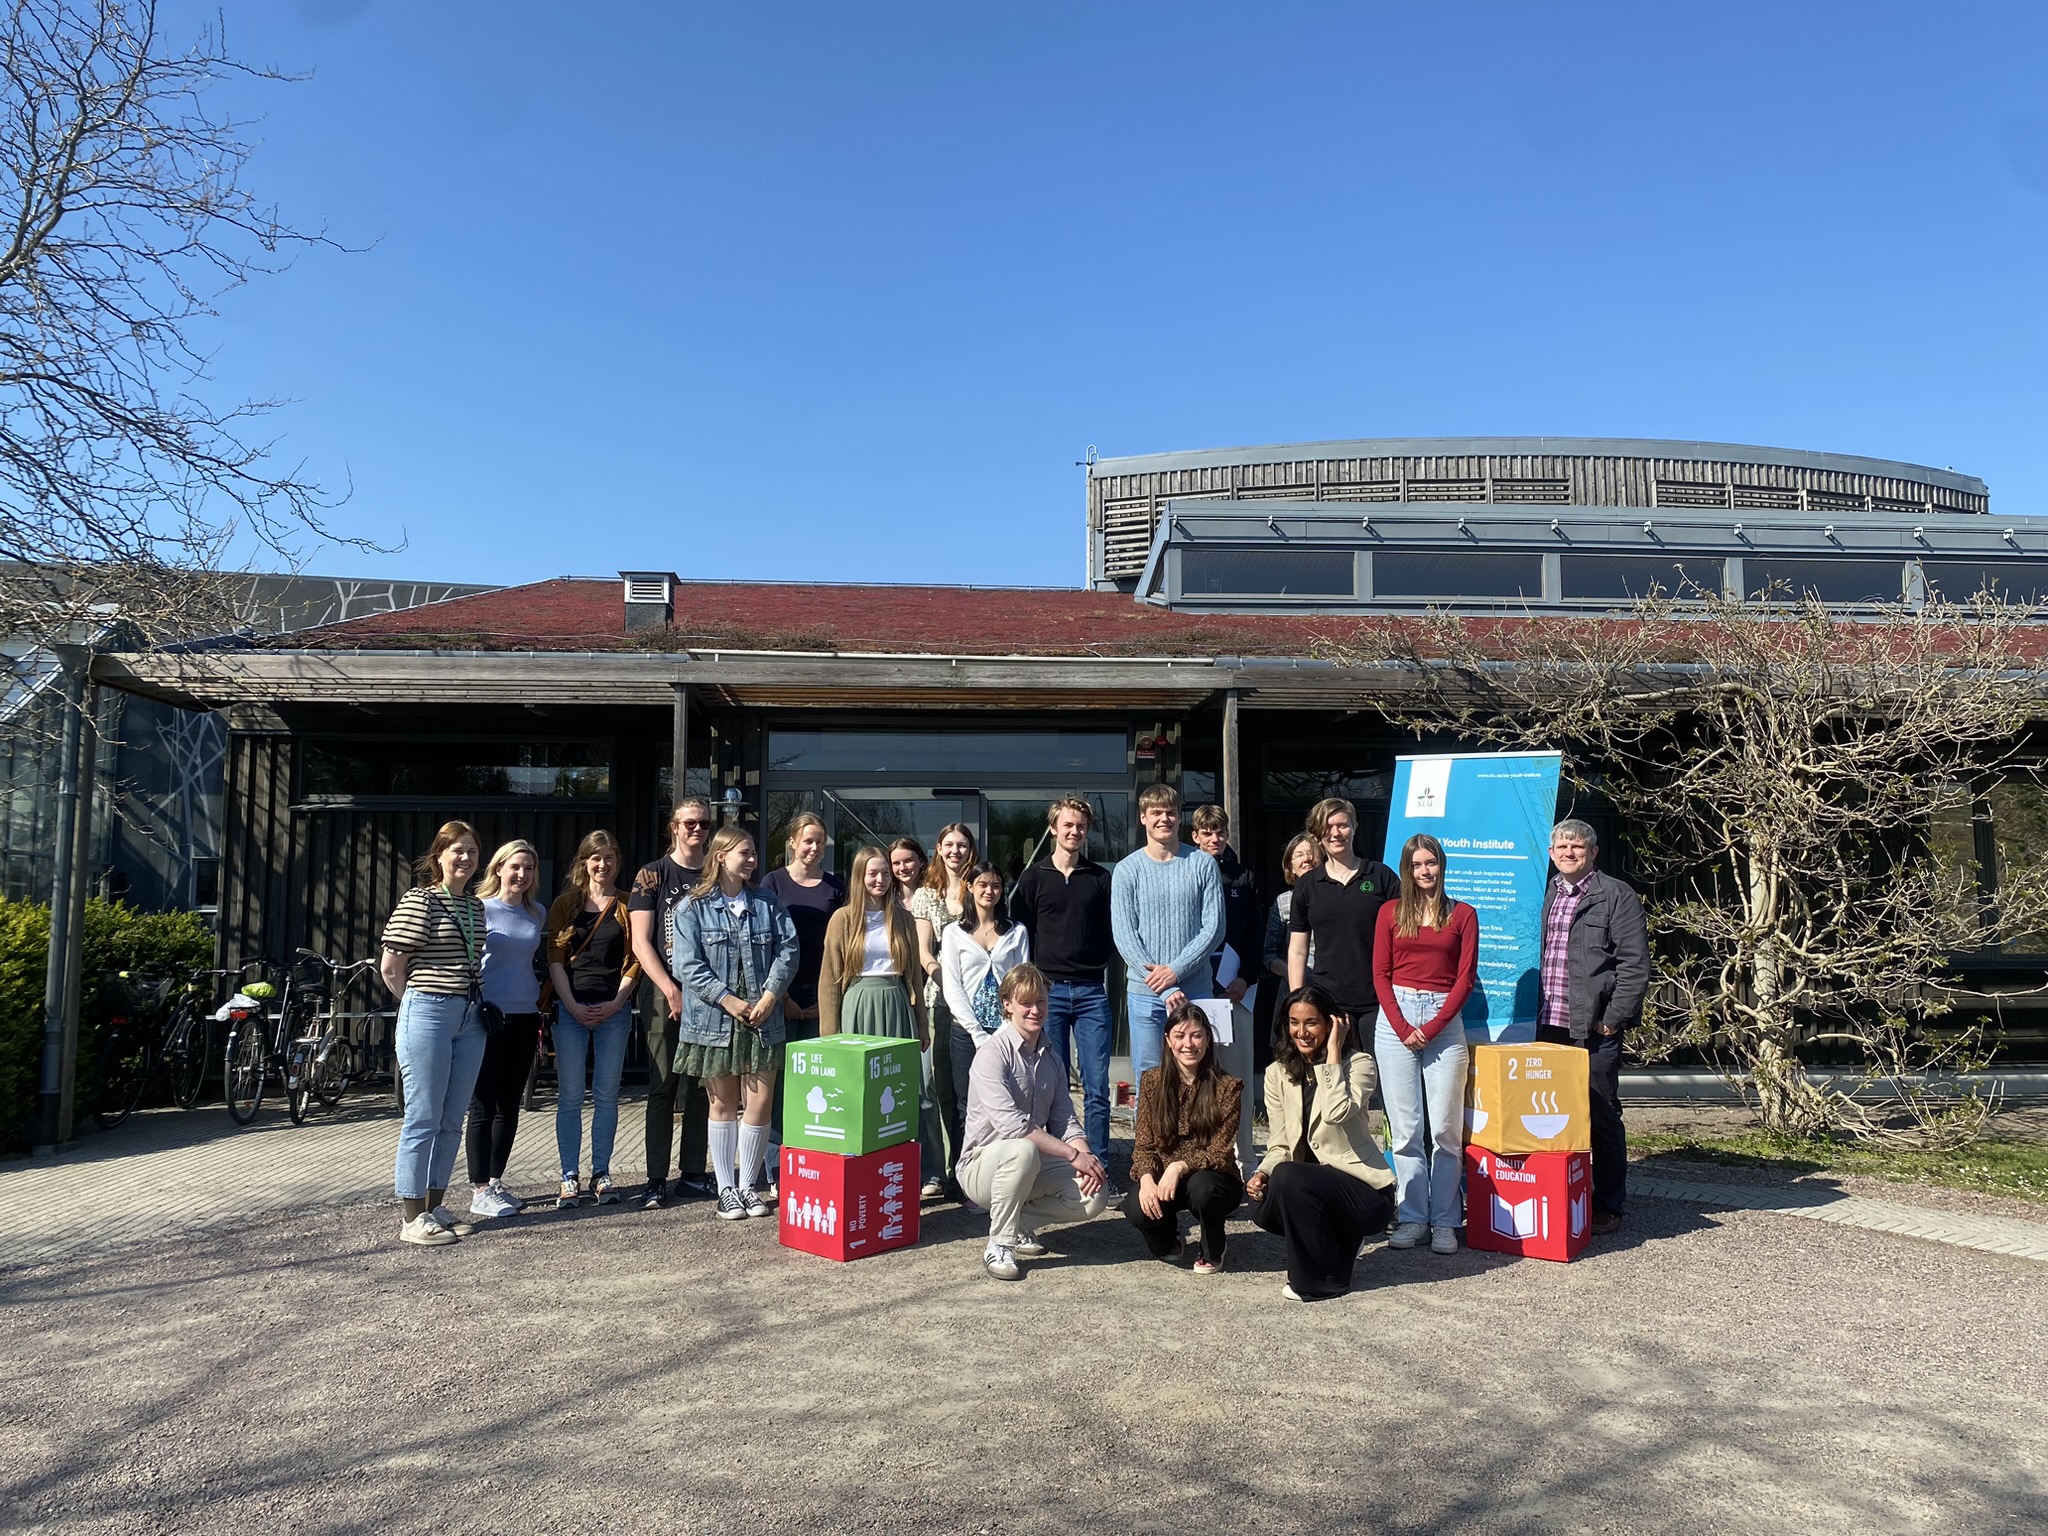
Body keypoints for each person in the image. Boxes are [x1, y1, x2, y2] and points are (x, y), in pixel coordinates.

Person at [671, 825, 799, 1220]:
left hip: (763, 1017)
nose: (751, 860)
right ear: (721, 856)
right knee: (723, 1104)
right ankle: (726, 1187)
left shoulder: (767, 902)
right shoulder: (692, 907)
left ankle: (749, 1186)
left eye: (753, 854)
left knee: (759, 1104)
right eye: (744, 853)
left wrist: (770, 996)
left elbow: (789, 949)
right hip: (715, 1020)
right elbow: (686, 965)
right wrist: (728, 1000)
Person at [955, 963, 1111, 1280]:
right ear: (1008, 1005)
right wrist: (1071, 1155)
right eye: (1026, 1002)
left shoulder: (1052, 1056)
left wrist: (1086, 1157)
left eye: (1040, 1001)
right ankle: (999, 1245)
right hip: (980, 1167)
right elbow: (1013, 1127)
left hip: (1029, 1164)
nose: (1035, 1010)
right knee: (1022, 1150)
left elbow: (1066, 1119)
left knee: (1095, 1193)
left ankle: (1021, 1223)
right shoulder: (991, 1054)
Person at [1247, 984, 1397, 1300]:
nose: (1301, 1032)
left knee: (1289, 1176)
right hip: (1313, 1190)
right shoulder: (1277, 1073)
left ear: (1331, 1023)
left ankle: (1316, 1282)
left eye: (1311, 1022)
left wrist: (1331, 1055)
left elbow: (1335, 1112)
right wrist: (1262, 1173)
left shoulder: (1360, 1064)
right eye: (1294, 1022)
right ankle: (1339, 1246)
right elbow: (1280, 1144)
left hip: (1364, 1192)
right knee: (1263, 1201)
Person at [1536, 818, 1648, 1236]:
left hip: (1593, 1029)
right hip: (1547, 1026)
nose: (1568, 853)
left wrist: (1613, 1019)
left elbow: (1635, 965)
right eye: (1562, 847)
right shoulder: (1544, 892)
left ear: (1593, 852)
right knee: (1550, 1118)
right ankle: (1562, 1193)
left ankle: (1608, 1204)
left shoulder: (1615, 896)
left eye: (1577, 847)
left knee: (1600, 1115)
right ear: (1551, 853)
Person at [379, 820, 489, 1248]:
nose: (465, 858)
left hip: (469, 1014)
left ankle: (434, 1205)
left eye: (472, 852)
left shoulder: (475, 907)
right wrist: (419, 1002)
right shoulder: (420, 901)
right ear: (439, 855)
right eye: (457, 850)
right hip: (428, 1010)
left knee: (451, 1117)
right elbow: (391, 966)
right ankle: (412, 1217)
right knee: (422, 1116)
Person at [1371, 832, 1478, 1254]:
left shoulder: (1463, 915)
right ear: (1407, 870)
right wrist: (1402, 1026)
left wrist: (1430, 1028)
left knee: (1446, 1131)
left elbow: (1465, 979)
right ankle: (1413, 1217)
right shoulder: (1389, 913)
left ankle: (1446, 1221)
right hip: (1396, 1015)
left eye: (1430, 863)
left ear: (1442, 865)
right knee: (1406, 1129)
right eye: (1416, 865)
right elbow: (1380, 974)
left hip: (1444, 1022)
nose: (1425, 871)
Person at [1010, 796, 1117, 1178]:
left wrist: (1096, 961)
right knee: (1045, 1086)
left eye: (1081, 826)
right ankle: (1057, 1167)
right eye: (1067, 825)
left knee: (1097, 1087)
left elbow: (1111, 932)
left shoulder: (1101, 878)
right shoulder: (1033, 877)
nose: (1074, 832)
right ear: (1053, 829)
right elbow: (1022, 935)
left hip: (1091, 992)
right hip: (1048, 994)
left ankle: (1099, 1166)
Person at [819, 846, 938, 1179]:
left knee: (902, 1091)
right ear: (859, 877)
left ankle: (909, 1171)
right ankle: (861, 1171)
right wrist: (830, 1035)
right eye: (873, 873)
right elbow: (829, 979)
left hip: (897, 1004)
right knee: (860, 1092)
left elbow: (914, 973)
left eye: (885, 873)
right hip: (857, 1004)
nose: (881, 879)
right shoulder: (842, 919)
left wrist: (922, 1024)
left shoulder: (902, 918)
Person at [1111, 784, 1224, 1123]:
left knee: (1199, 1071)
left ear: (1180, 817)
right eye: (1156, 812)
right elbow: (1124, 935)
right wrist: (1164, 984)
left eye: (1171, 812)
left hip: (1196, 991)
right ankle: (1149, 1161)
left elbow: (1214, 929)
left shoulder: (1203, 864)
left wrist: (1175, 971)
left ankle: (1196, 1155)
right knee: (1150, 1075)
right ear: (1143, 818)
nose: (1164, 818)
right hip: (1145, 995)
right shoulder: (1127, 870)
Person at [545, 830, 642, 1209]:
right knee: (570, 1097)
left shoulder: (627, 905)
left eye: (610, 858)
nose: (603, 865)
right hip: (570, 1010)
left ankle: (601, 1172)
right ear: (584, 862)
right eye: (596, 858)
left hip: (612, 1011)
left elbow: (635, 959)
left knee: (606, 1096)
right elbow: (554, 960)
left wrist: (618, 1002)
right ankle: (569, 1175)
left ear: (618, 862)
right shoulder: (564, 905)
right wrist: (570, 1004)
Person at [630, 799, 716, 1208]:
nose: (696, 829)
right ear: (674, 828)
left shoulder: (716, 871)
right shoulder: (652, 874)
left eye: (703, 823)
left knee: (701, 1084)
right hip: (664, 989)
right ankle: (655, 1178)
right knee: (663, 1085)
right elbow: (640, 941)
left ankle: (695, 1174)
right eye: (689, 823)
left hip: (709, 993)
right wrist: (668, 988)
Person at [1121, 998, 1244, 1273]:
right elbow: (1144, 1144)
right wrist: (1147, 1180)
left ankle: (1213, 1246)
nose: (1188, 1044)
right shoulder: (1152, 1081)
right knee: (1135, 1205)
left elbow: (1220, 1152)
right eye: (1180, 1035)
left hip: (1215, 1178)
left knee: (1203, 1189)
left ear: (1208, 1039)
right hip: (1165, 1179)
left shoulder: (1228, 1086)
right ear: (1168, 1040)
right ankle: (1168, 1238)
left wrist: (1179, 1166)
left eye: (1196, 1035)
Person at [465, 839, 548, 1221]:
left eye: (528, 868)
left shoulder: (537, 913)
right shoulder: (479, 910)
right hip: (488, 1017)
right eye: (515, 867)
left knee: (510, 1103)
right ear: (498, 868)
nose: (521, 874)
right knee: (484, 1102)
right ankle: (478, 1188)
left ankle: (496, 1181)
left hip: (525, 1015)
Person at [760, 812, 846, 1169]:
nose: (813, 847)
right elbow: (762, 943)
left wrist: (824, 1001)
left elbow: (842, 945)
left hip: (823, 995)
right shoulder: (773, 883)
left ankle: (814, 1159)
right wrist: (785, 997)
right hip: (779, 995)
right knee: (778, 1083)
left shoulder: (835, 887)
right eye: (807, 840)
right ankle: (777, 1166)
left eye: (819, 841)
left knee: (819, 1081)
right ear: (792, 842)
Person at [1287, 797, 1401, 1037]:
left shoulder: (1382, 877)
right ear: (1317, 835)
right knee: (1334, 1073)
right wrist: (1298, 1004)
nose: (1336, 833)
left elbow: (1404, 940)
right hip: (1328, 1004)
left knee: (1378, 1074)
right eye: (1328, 828)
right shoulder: (1308, 885)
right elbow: (1298, 951)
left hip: (1380, 1002)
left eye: (1342, 825)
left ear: (1355, 827)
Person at [1187, 805, 1260, 1173]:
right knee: (1195, 1079)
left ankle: (1244, 1158)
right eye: (1208, 832)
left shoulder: (1243, 876)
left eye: (1221, 832)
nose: (1216, 839)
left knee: (1237, 1079)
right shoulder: (1182, 870)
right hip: (1193, 990)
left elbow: (1254, 934)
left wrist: (1245, 976)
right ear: (1195, 836)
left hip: (1234, 992)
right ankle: (1200, 1157)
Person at [912, 822, 977, 1198]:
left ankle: (968, 1170)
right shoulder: (925, 895)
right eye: (949, 844)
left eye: (963, 845)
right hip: (939, 1002)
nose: (956, 851)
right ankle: (938, 1169)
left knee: (969, 1089)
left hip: (976, 1003)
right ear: (938, 848)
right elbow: (924, 952)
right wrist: (947, 980)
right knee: (936, 1089)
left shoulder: (978, 887)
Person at [941, 861, 1032, 1071]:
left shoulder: (1017, 932)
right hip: (965, 1032)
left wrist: (1005, 1027)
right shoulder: (953, 933)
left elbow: (1021, 984)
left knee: (1008, 1096)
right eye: (983, 885)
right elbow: (953, 987)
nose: (989, 891)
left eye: (996, 886)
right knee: (966, 1100)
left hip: (1007, 1030)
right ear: (970, 887)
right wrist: (977, 1033)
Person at [1260, 833, 1319, 1079]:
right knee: (1291, 1063)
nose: (1305, 859)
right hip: (1293, 990)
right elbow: (1269, 954)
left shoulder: (1337, 896)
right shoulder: (1284, 902)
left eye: (1310, 853)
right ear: (1290, 866)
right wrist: (1294, 973)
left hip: (1330, 989)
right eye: (1298, 855)